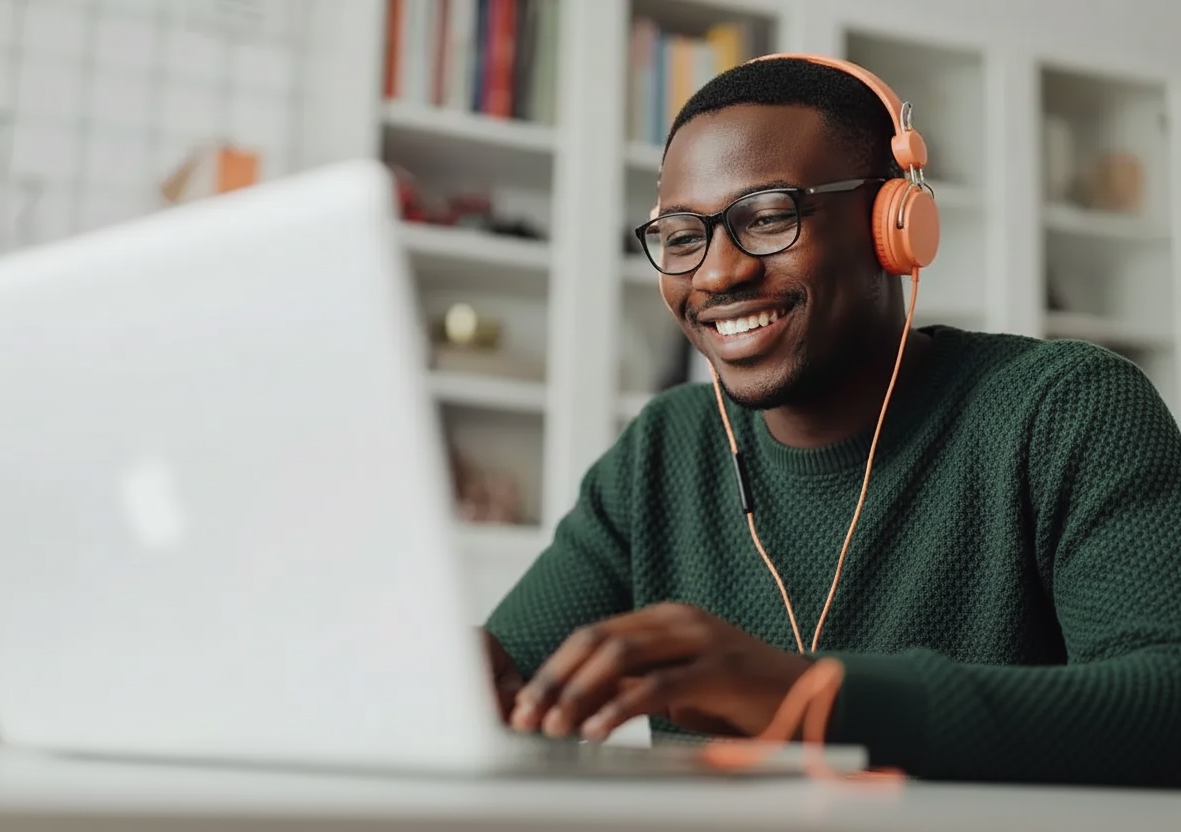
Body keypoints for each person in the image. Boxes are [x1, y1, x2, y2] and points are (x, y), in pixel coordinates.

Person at [481, 54, 1181, 788]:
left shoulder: (1064, 409)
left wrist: (809, 698)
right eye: (684, 237)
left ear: (894, 228)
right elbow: (518, 681)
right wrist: (455, 677)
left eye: (769, 218)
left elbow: (1164, 703)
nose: (717, 274)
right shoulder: (663, 450)